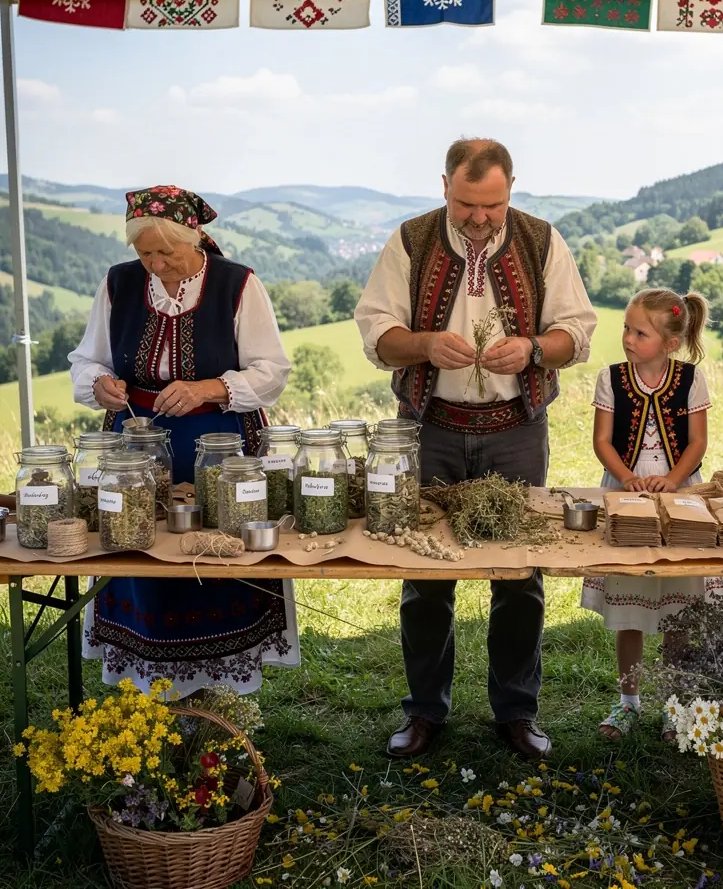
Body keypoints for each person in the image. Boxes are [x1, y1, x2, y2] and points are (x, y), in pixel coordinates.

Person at [355, 138, 597, 759]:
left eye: (492, 204)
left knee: (519, 574)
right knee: (425, 573)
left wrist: (535, 349)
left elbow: (578, 330)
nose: (479, 217)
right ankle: (425, 712)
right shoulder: (409, 241)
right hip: (428, 424)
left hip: (516, 428)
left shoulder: (543, 240)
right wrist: (426, 345)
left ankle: (517, 711)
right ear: (444, 187)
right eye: (467, 203)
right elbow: (377, 332)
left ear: (511, 188)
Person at [69, 185, 299, 696]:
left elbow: (272, 371)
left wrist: (210, 387)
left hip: (219, 445)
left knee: (216, 551)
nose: (154, 263)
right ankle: (153, 687)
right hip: (135, 442)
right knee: (139, 548)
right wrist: (99, 384)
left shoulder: (237, 284)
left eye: (165, 252)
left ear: (193, 239)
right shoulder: (118, 284)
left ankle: (220, 698)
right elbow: (88, 358)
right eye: (144, 252)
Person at [581, 287, 723, 741]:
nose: (627, 338)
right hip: (627, 494)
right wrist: (627, 478)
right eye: (626, 327)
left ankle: (674, 702)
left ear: (669, 343)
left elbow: (698, 442)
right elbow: (603, 440)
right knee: (630, 605)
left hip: (680, 496)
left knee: (679, 607)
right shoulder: (610, 378)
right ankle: (627, 701)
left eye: (639, 332)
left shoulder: (690, 379)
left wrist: (675, 479)